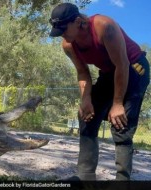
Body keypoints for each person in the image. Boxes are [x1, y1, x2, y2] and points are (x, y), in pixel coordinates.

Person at [49, 3, 150, 180]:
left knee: (121, 123)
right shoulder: (68, 45)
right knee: (86, 116)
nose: (62, 35)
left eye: (64, 29)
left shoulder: (104, 26)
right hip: (110, 73)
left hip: (134, 68)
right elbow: (82, 72)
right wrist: (85, 99)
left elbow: (122, 65)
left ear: (78, 21)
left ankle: (122, 180)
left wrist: (117, 103)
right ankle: (85, 176)